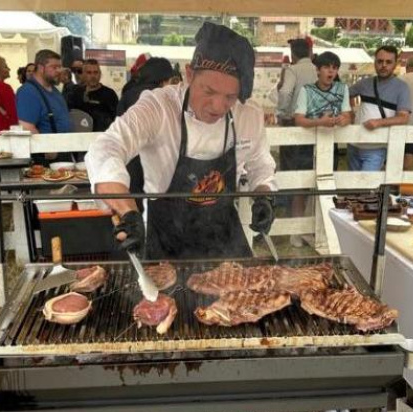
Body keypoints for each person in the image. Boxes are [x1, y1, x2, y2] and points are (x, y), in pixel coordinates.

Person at [86, 22, 277, 260]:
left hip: (225, 240)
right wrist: (127, 212)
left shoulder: (249, 115)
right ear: (188, 74)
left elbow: (260, 163)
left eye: (230, 96)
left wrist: (264, 195)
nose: (218, 106)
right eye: (208, 91)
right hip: (166, 243)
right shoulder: (159, 107)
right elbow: (106, 147)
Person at [291, 51, 352, 246]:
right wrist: (320, 122)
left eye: (334, 68)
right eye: (327, 67)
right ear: (318, 70)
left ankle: (321, 230)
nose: (331, 71)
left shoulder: (343, 89)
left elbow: (348, 115)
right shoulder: (306, 90)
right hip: (306, 145)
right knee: (301, 187)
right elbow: (299, 118)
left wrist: (343, 120)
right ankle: (296, 232)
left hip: (329, 145)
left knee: (325, 185)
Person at [116, 57, 176, 214]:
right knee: (161, 205)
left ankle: (136, 235)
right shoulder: (163, 97)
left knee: (134, 204)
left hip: (132, 159)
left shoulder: (128, 95)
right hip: (159, 158)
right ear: (164, 79)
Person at [275, 38, 319, 247]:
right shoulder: (320, 69)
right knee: (315, 177)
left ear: (292, 54)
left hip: (296, 126)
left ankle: (296, 230)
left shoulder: (293, 70)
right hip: (320, 127)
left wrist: (283, 113)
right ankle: (309, 228)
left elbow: (284, 92)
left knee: (295, 178)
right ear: (310, 52)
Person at [348, 46, 411, 171]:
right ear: (375, 62)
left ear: (395, 64)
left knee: (367, 185)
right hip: (354, 143)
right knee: (352, 186)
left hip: (376, 147)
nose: (383, 65)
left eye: (388, 62)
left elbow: (403, 117)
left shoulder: (402, 88)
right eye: (380, 61)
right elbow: (345, 95)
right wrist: (350, 113)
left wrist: (378, 122)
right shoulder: (364, 83)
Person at [16, 49, 73, 164]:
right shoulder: (28, 92)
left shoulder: (53, 89)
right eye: (55, 67)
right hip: (47, 159)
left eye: (60, 67)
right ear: (41, 68)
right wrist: (46, 148)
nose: (59, 71)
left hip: (62, 153)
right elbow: (26, 126)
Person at [68, 59, 119, 132]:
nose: (93, 76)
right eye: (89, 73)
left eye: (96, 72)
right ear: (84, 74)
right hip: (80, 137)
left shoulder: (109, 94)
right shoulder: (76, 93)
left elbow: (116, 119)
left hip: (101, 137)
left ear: (100, 74)